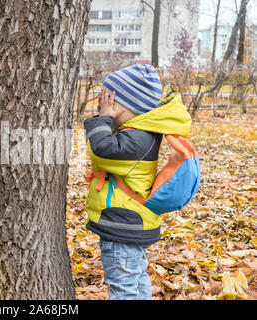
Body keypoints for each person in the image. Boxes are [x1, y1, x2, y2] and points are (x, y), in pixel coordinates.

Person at [83, 64, 192, 300]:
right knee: (136, 278)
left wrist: (102, 119)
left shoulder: (136, 139)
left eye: (107, 100)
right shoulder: (142, 132)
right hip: (132, 222)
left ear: (124, 105)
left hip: (124, 226)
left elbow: (100, 150)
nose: (102, 106)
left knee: (124, 287)